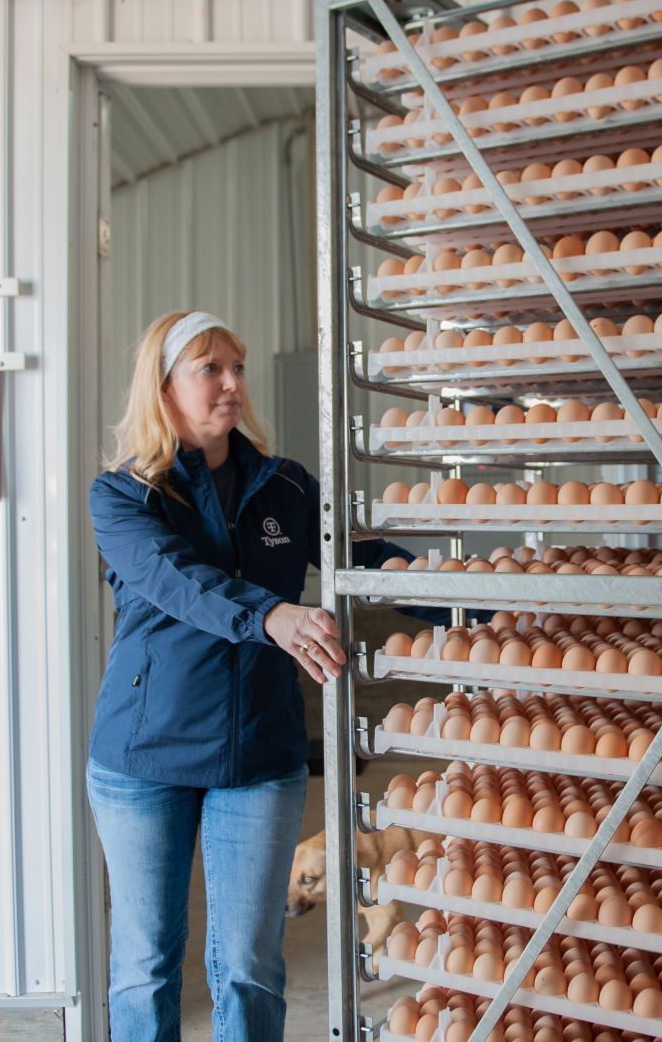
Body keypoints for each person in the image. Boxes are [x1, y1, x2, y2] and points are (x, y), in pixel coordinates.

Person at [86, 309, 430, 1042]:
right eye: (210, 368)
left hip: (258, 754)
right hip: (146, 755)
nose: (232, 383)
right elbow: (174, 580)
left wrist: (467, 594)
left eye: (236, 367)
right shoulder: (121, 496)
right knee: (145, 964)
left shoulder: (285, 487)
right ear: (165, 385)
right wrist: (274, 614)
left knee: (248, 964)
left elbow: (357, 556)